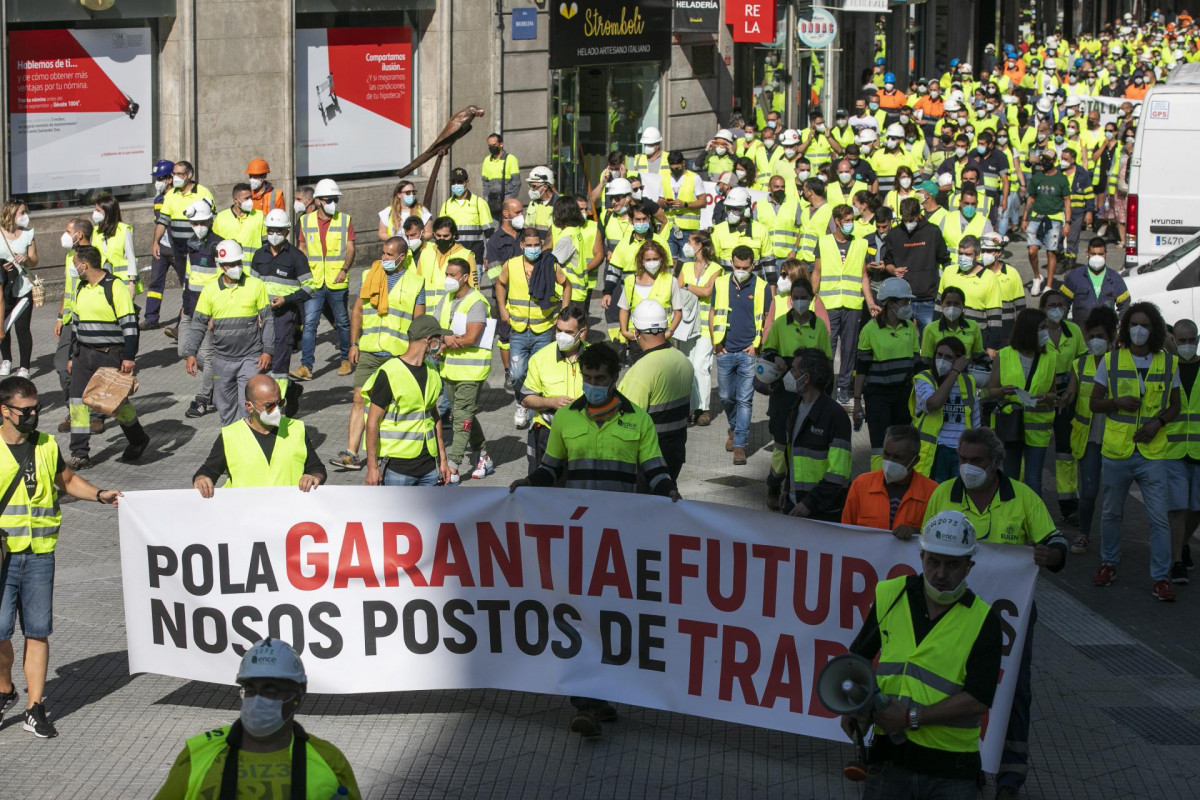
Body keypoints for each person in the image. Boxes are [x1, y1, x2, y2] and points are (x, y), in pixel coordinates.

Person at [510, 341, 679, 738]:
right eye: (587, 379)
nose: (592, 386)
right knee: (580, 617)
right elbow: (551, 470)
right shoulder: (565, 419)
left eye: (599, 379)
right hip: (579, 539)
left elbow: (655, 470)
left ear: (614, 378)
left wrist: (669, 492)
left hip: (621, 541)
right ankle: (585, 702)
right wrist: (528, 483)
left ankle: (600, 697)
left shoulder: (638, 420)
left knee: (614, 620)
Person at [922, 426, 1067, 799]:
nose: (967, 467)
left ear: (997, 463)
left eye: (976, 461)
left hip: (1007, 620)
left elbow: (1055, 540)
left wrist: (1052, 555)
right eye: (962, 459)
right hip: (952, 616)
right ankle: (967, 766)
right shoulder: (943, 494)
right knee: (953, 690)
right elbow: (925, 549)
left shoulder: (1021, 497)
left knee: (1012, 692)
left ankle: (1010, 779)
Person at [843, 511, 1001, 800]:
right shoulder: (890, 596)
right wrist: (857, 706)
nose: (941, 573)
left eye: (953, 564)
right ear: (922, 557)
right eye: (934, 562)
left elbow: (978, 699)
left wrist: (909, 718)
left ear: (969, 566)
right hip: (889, 759)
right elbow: (858, 659)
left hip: (951, 771)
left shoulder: (984, 620)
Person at [0, 375, 123, 739]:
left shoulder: (46, 445)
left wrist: (100, 495)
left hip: (39, 554)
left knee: (38, 632)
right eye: (26, 410)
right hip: (3, 557)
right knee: (1, 632)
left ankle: (34, 707)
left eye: (36, 408)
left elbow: (66, 482)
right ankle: (5, 688)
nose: (34, 415)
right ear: (4, 411)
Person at [152, 638, 361, 799]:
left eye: (271, 691)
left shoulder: (329, 761)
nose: (258, 700)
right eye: (251, 690)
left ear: (297, 697)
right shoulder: (198, 755)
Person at [1091, 303, 1181, 601]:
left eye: (1144, 325)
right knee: (1111, 512)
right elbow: (1094, 403)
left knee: (1158, 518)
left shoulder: (1168, 363)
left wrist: (1158, 423)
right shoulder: (1110, 360)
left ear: (1154, 329)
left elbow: (1175, 405)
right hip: (1117, 450)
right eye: (1133, 324)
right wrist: (1116, 403)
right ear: (1126, 327)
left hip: (1152, 452)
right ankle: (1108, 563)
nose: (1138, 330)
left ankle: (1161, 578)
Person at [334, 236, 424, 471]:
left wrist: (416, 353)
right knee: (358, 399)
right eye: (382, 253)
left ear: (401, 257)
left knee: (390, 406)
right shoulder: (369, 276)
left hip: (398, 354)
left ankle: (386, 452)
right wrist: (353, 344)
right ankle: (351, 453)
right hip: (370, 349)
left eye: (388, 255)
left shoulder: (416, 282)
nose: (383, 258)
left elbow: (419, 321)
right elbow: (357, 313)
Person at [66, 245, 150, 469]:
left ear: (85, 265)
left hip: (110, 354)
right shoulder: (81, 288)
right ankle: (80, 453)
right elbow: (75, 325)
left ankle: (138, 439)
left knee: (115, 404)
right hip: (83, 354)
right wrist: (70, 356)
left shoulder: (115, 287)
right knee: (77, 403)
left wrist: (129, 356)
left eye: (75, 263)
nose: (73, 267)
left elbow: (129, 325)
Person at [185, 241, 274, 426]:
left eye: (238, 263)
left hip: (250, 357)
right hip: (222, 361)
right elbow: (198, 323)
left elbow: (267, 320)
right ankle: (230, 445)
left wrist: (268, 351)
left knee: (247, 406)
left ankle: (248, 443)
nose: (236, 268)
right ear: (221, 266)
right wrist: (191, 353)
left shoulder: (256, 285)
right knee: (225, 407)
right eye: (231, 264)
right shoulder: (210, 291)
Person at [761, 276, 832, 507]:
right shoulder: (781, 323)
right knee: (781, 442)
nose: (800, 302)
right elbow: (768, 351)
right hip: (785, 389)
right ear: (791, 300)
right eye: (797, 298)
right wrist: (777, 357)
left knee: (803, 442)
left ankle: (794, 489)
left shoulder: (819, 326)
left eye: (805, 298)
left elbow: (827, 362)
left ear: (811, 299)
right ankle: (774, 483)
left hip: (810, 392)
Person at [192, 375, 325, 495]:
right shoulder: (230, 436)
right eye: (269, 406)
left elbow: (316, 468)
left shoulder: (296, 429)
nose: (277, 409)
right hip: (245, 515)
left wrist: (314, 477)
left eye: (280, 403)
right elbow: (209, 470)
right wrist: (202, 479)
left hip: (288, 513)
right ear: (249, 407)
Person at [496, 226, 572, 430]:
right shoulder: (511, 265)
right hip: (519, 329)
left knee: (540, 372)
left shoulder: (549, 264)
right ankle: (522, 402)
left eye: (536, 245)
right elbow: (500, 284)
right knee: (518, 373)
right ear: (522, 246)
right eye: (528, 245)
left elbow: (567, 285)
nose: (533, 249)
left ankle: (536, 411)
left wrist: (564, 313)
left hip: (544, 329)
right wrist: (502, 309)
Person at [363, 315, 453, 487]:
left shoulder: (432, 371)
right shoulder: (389, 373)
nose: (441, 345)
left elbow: (434, 416)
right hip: (398, 468)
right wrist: (372, 467)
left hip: (429, 467)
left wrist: (443, 459)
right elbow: (372, 422)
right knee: (397, 515)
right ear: (428, 341)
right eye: (438, 340)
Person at [434, 257, 494, 484]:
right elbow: (435, 330)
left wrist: (445, 339)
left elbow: (471, 337)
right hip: (449, 370)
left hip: (471, 372)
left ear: (465, 277)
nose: (448, 279)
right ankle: (484, 457)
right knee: (464, 414)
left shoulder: (477, 302)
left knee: (461, 417)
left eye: (453, 275)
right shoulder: (446, 299)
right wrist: (446, 338)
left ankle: (454, 466)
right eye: (447, 274)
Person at [618, 300, 693, 481]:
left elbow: (627, 423)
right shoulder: (683, 360)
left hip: (648, 458)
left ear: (636, 332)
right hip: (675, 451)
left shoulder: (640, 371)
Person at [249, 209, 315, 414]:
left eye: (278, 230)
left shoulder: (296, 257)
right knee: (261, 361)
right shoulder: (259, 255)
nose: (274, 234)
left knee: (279, 364)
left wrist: (286, 300)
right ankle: (281, 394)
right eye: (270, 230)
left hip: (284, 316)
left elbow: (309, 287)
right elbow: (252, 285)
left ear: (287, 232)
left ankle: (278, 408)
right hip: (261, 316)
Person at [988, 308, 1057, 498]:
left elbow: (1054, 393)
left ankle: (1034, 522)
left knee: (1033, 477)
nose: (1046, 332)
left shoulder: (1050, 357)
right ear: (1029, 329)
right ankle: (1010, 517)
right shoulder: (1004, 355)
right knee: (1010, 476)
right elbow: (992, 390)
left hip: (1038, 428)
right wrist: (1003, 391)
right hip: (1011, 425)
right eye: (1042, 327)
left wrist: (1045, 397)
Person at [711, 246, 768, 466]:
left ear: (752, 266)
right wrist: (715, 342)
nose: (741, 271)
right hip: (725, 350)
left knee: (745, 399)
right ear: (731, 264)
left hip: (747, 351)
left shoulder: (762, 287)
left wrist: (757, 345)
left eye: (745, 267)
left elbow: (765, 318)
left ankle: (740, 445)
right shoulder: (720, 283)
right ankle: (735, 427)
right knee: (726, 396)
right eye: (737, 267)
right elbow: (714, 312)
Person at [855, 278, 920, 471]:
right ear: (891, 303)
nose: (908, 306)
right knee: (879, 446)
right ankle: (876, 483)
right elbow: (862, 368)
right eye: (904, 302)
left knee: (902, 444)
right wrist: (857, 400)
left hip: (904, 396)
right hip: (878, 397)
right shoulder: (870, 330)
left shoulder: (910, 327)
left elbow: (916, 364)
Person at [1068, 306, 1118, 556]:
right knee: (1088, 490)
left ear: (1111, 337)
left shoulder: (1120, 362)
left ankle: (1112, 541)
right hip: (1087, 437)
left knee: (1113, 494)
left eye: (1100, 336)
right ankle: (1084, 533)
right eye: (1092, 336)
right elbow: (1070, 393)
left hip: (1115, 436)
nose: (1095, 341)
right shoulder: (1080, 363)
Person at [295, 178, 354, 381]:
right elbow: (302, 249)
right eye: (329, 200)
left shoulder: (345, 220)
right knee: (310, 323)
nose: (333, 204)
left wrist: (345, 269)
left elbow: (350, 247)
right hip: (314, 280)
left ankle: (346, 359)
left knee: (342, 322)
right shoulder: (305, 221)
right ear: (318, 201)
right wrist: (303, 276)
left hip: (337, 280)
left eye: (335, 199)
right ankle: (305, 366)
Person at [781, 348, 851, 519]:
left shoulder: (835, 416)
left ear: (806, 378)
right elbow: (793, 457)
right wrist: (786, 488)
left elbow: (838, 473)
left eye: (794, 369)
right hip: (795, 505)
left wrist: (809, 503)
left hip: (822, 512)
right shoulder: (795, 408)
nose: (789, 373)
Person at [520, 306, 587, 472]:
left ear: (582, 332)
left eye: (569, 332)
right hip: (548, 434)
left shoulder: (596, 357)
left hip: (586, 434)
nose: (562, 336)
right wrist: (551, 402)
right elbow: (526, 398)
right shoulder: (540, 358)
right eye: (559, 330)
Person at [172, 199, 222, 418]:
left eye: (201, 222)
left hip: (209, 311)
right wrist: (184, 305)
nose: (198, 227)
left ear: (210, 221)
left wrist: (215, 312)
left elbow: (223, 280)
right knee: (184, 350)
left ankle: (203, 399)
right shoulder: (192, 244)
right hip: (191, 308)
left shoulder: (218, 245)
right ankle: (219, 380)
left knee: (208, 355)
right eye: (194, 223)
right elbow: (188, 277)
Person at [842, 425, 938, 538]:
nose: (890, 461)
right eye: (886, 454)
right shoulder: (861, 485)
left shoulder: (932, 493)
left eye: (898, 457)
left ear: (915, 460)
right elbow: (845, 533)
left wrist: (917, 532)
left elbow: (937, 537)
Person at [812, 204, 867, 404]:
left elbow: (863, 275)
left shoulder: (860, 244)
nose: (850, 224)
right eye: (847, 221)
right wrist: (812, 298)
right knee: (828, 346)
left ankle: (843, 387)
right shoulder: (824, 242)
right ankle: (826, 387)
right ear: (836, 221)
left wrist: (870, 302)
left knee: (849, 348)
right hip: (829, 303)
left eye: (852, 220)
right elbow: (816, 273)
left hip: (852, 304)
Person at [1040, 289, 1086, 523]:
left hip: (1067, 399)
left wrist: (1071, 391)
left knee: (1066, 453)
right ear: (1043, 309)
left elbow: (1081, 362)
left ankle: (1069, 507)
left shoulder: (1074, 331)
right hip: (1041, 399)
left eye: (1060, 304)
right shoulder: (1037, 333)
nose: (1056, 308)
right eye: (1051, 305)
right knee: (1033, 454)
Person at [54, 218, 102, 435]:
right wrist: (59, 316)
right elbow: (68, 288)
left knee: (92, 369)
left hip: (92, 318)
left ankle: (95, 415)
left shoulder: (96, 256)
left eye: (67, 231)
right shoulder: (68, 257)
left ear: (79, 234)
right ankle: (74, 412)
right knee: (62, 366)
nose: (64, 235)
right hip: (70, 320)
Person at [153, 160, 214, 332]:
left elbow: (212, 220)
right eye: (174, 174)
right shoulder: (171, 194)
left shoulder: (203, 193)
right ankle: (186, 325)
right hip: (178, 251)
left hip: (198, 249)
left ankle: (188, 325)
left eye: (179, 174)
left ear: (189, 175)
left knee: (195, 286)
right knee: (186, 287)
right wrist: (155, 242)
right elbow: (162, 221)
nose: (175, 178)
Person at [911, 336, 980, 481]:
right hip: (936, 449)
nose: (942, 360)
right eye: (939, 355)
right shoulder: (924, 379)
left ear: (959, 360)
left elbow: (975, 418)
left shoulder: (968, 381)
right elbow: (934, 403)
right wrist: (954, 372)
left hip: (961, 450)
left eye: (948, 357)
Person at [884, 198, 949, 335]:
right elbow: (887, 262)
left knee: (929, 339)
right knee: (902, 338)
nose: (908, 224)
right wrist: (893, 270)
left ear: (919, 214)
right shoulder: (894, 234)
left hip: (928, 299)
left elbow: (944, 259)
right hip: (902, 299)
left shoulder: (932, 232)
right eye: (905, 220)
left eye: (911, 220)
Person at [1167, 319, 1200, 583]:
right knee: (1178, 506)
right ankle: (1177, 559)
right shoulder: (1167, 370)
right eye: (1183, 341)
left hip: (1199, 450)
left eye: (1192, 340)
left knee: (1196, 509)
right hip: (1173, 450)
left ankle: (1184, 543)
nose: (1188, 345)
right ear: (1174, 342)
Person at [678, 231, 722, 427]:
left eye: (689, 242)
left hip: (705, 325)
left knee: (701, 366)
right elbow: (676, 288)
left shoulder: (716, 268)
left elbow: (707, 291)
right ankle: (689, 407)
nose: (686, 245)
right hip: (686, 324)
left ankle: (703, 408)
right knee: (687, 365)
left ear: (699, 246)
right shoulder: (686, 266)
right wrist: (689, 287)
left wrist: (687, 285)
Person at [937, 234, 1002, 355]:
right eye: (960, 253)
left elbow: (995, 316)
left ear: (977, 256)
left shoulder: (990, 278)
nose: (963, 257)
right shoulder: (948, 272)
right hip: (948, 337)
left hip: (977, 340)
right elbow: (938, 306)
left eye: (967, 254)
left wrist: (992, 347)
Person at [617, 241, 683, 359]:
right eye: (648, 259)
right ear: (642, 261)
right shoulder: (630, 281)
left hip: (661, 338)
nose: (652, 262)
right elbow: (624, 309)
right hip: (637, 340)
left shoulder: (670, 281)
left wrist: (670, 332)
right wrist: (624, 331)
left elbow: (678, 312)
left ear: (661, 259)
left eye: (655, 259)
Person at [484, 197, 524, 388]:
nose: (521, 216)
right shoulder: (494, 241)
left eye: (521, 211)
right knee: (506, 336)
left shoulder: (525, 235)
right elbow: (493, 274)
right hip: (505, 296)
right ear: (505, 214)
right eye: (517, 212)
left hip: (527, 296)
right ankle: (508, 371)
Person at [1022, 151, 1071, 296]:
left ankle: (1049, 285)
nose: (1045, 162)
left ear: (1054, 160)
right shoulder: (1037, 177)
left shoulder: (1061, 179)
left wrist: (1067, 222)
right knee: (1032, 251)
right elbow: (1031, 198)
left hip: (1054, 218)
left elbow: (1067, 200)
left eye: (1048, 159)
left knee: (1051, 252)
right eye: (1043, 159)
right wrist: (1025, 218)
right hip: (1037, 217)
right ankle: (1037, 277)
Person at [0, 198, 37, 378]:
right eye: (22, 213)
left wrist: (26, 258)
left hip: (23, 288)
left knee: (22, 328)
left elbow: (35, 260)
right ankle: (6, 359)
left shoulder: (28, 233)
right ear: (11, 214)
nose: (25, 216)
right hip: (3, 289)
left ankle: (24, 367)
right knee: (3, 326)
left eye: (25, 212)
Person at [142, 159, 181, 329]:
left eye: (160, 178)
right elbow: (158, 225)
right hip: (161, 249)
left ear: (169, 179)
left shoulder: (180, 198)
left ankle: (185, 320)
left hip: (178, 249)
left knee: (187, 284)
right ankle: (151, 318)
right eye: (156, 179)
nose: (157, 183)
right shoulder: (158, 199)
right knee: (155, 284)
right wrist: (155, 243)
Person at [1060, 237, 1130, 324]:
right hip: (1081, 333)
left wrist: (1119, 328)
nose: (1097, 257)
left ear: (1106, 254)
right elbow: (1062, 303)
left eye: (1100, 254)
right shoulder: (1075, 276)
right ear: (1087, 253)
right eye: (1093, 254)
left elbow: (1125, 306)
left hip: (1106, 334)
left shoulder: (1115, 278)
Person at [417, 217, 477, 312]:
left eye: (446, 236)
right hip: (428, 316)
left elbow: (474, 289)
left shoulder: (466, 255)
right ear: (433, 234)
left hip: (451, 312)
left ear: (453, 235)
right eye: (438, 235)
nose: (442, 239)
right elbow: (418, 286)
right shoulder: (425, 253)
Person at [439, 166, 494, 264]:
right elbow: (441, 233)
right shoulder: (446, 205)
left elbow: (489, 233)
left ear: (467, 183)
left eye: (459, 182)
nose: (456, 185)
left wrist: (488, 256)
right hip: (452, 258)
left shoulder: (479, 203)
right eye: (453, 182)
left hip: (474, 258)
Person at [659, 150, 706, 263]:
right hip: (669, 229)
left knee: (686, 264)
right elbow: (659, 200)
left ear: (683, 163)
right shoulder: (665, 178)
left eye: (677, 168)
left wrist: (685, 204)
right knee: (669, 263)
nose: (675, 171)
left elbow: (703, 202)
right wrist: (664, 203)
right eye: (672, 168)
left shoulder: (694, 178)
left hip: (688, 231)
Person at [980, 232, 1026, 346]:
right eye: (983, 250)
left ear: (999, 252)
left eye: (989, 251)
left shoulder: (1012, 273)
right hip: (982, 331)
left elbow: (1020, 307)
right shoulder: (976, 272)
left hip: (1006, 332)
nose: (985, 254)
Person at [90, 192, 139, 296]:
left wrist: (132, 283)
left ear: (108, 212)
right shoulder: (96, 231)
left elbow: (131, 258)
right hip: (103, 282)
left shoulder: (123, 230)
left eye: (98, 210)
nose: (95, 213)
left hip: (122, 283)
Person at [920, 286, 984, 363]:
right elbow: (927, 360)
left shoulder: (973, 326)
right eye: (948, 303)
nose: (952, 307)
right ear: (941, 304)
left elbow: (978, 356)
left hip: (964, 373)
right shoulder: (930, 329)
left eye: (956, 303)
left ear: (963, 305)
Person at [213, 183, 267, 266]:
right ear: (235, 200)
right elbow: (214, 247)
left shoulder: (259, 217)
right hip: (228, 270)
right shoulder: (220, 218)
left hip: (253, 271)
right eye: (246, 198)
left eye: (251, 198)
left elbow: (266, 245)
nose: (250, 201)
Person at [481, 132, 521, 217]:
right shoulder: (487, 160)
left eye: (494, 144)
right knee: (495, 226)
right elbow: (485, 182)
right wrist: (486, 198)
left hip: (507, 198)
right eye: (489, 145)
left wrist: (510, 200)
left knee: (507, 223)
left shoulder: (511, 159)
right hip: (492, 200)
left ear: (501, 144)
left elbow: (516, 183)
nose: (492, 147)